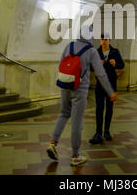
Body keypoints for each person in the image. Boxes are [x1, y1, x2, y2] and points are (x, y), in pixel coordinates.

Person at [47, 25, 118, 166]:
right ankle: (75, 155)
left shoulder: (69, 45)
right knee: (76, 122)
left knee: (64, 113)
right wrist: (110, 92)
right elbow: (101, 74)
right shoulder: (91, 51)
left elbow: (61, 64)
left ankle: (53, 143)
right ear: (90, 36)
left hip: (65, 84)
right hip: (80, 89)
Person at [89, 33, 124, 145]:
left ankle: (106, 131)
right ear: (100, 41)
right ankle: (98, 132)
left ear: (109, 40)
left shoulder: (115, 51)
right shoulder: (96, 52)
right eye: (102, 39)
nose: (104, 41)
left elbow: (122, 65)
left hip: (111, 83)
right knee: (99, 107)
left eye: (106, 39)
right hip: (100, 84)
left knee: (109, 108)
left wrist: (115, 64)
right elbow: (90, 67)